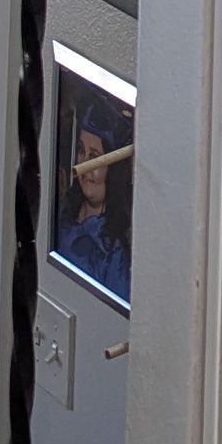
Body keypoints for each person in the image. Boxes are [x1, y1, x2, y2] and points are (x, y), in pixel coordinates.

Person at [55, 102, 132, 303]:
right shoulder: (62, 212)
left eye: (95, 157)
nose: (84, 166)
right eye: (81, 152)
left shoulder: (114, 254)